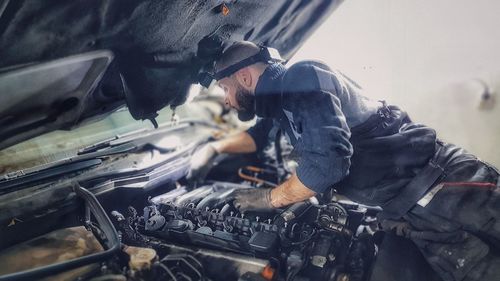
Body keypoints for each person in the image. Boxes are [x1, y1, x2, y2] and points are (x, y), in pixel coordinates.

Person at [187, 41, 500, 281]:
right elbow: (258, 136)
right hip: (410, 210)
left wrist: (270, 198)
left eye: (226, 89)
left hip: (448, 188)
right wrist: (213, 149)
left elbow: (328, 165)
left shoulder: (301, 75)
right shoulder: (281, 101)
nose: (227, 101)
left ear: (243, 76)